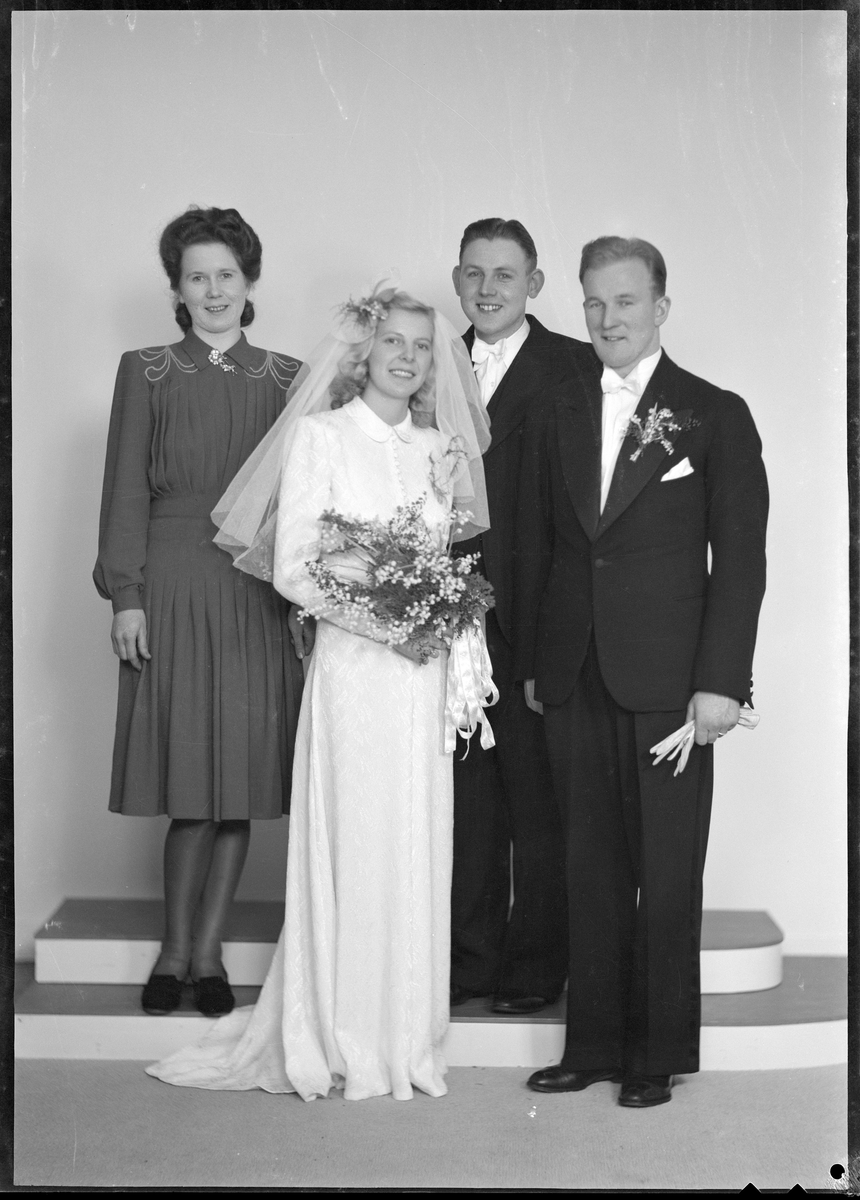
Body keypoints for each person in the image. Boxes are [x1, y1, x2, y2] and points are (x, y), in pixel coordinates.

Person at [145, 285, 491, 1101]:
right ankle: (336, 1030)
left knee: (414, 840)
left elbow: (440, 565)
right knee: (355, 836)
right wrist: (386, 626)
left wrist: (440, 625)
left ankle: (403, 1033)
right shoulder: (320, 437)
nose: (408, 357)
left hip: (420, 679)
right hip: (354, 673)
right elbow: (295, 567)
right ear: (364, 350)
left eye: (421, 346)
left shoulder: (440, 448)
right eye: (394, 341)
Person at [514, 236, 768, 1106]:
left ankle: (654, 1054)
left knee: (664, 869)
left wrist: (722, 682)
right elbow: (546, 545)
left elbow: (741, 561)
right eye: (594, 302)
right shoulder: (557, 407)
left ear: (661, 307)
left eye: (624, 301)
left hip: (672, 682)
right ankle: (590, 1045)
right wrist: (540, 664)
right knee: (584, 866)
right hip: (574, 672)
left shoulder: (714, 413)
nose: (607, 317)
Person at [93, 206, 305, 1019]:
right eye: (196, 277)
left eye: (226, 275)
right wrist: (127, 596)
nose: (213, 290)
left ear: (249, 282)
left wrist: (303, 599)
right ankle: (172, 953)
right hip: (172, 588)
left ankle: (209, 955)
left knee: (236, 788)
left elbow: (301, 502)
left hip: (254, 594)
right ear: (176, 289)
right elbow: (124, 490)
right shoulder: (145, 371)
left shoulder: (288, 379)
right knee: (189, 787)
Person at [448, 218, 579, 1014]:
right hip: (446, 618)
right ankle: (469, 962)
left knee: (538, 804)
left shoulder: (574, 366)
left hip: (534, 619)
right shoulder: (426, 361)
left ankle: (534, 967)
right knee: (464, 805)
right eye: (474, 273)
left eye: (504, 274)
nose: (488, 288)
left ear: (534, 282)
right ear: (456, 282)